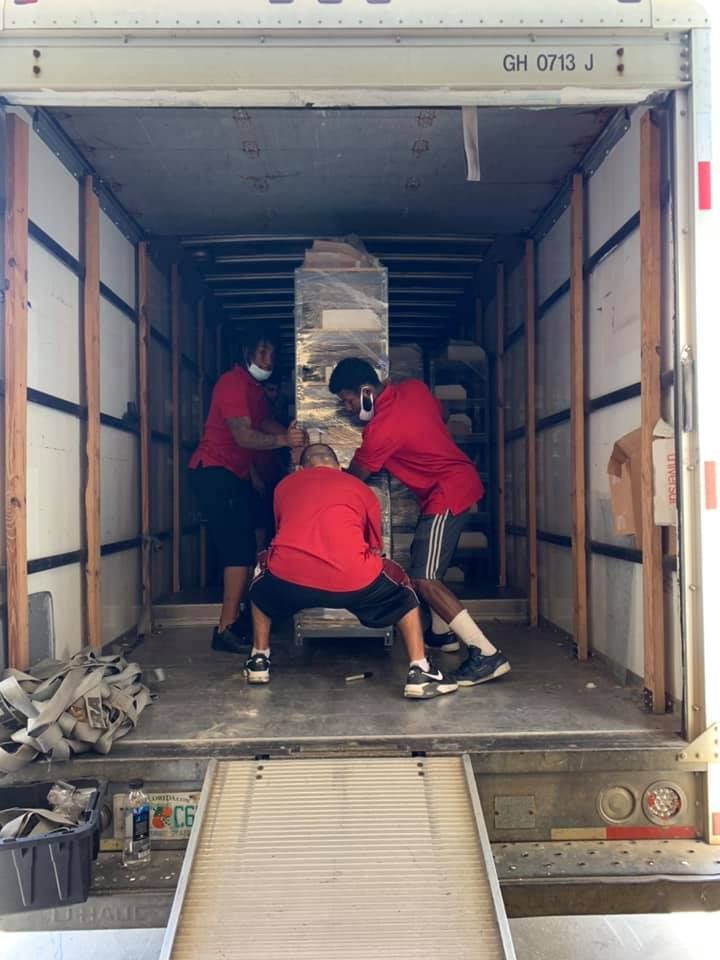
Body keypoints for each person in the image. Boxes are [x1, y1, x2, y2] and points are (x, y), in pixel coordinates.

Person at [328, 357, 510, 687]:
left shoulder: (380, 430)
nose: (350, 408)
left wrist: (321, 477)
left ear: (366, 392)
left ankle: (486, 654)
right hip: (454, 484)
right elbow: (441, 415)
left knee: (424, 578)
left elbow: (356, 477)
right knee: (428, 566)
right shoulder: (414, 389)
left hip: (447, 491)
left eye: (350, 400)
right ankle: (442, 636)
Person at [245, 444, 458, 700]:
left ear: (301, 468)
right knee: (404, 590)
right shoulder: (360, 488)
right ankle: (420, 671)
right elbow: (375, 547)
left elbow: (283, 530)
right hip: (352, 578)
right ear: (339, 467)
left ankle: (258, 658)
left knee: (259, 579)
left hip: (291, 577)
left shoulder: (284, 485)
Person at [188, 325, 305, 654]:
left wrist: (299, 437)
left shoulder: (253, 390)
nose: (268, 360)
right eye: (262, 353)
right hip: (214, 472)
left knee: (251, 544)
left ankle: (236, 620)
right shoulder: (232, 383)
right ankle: (225, 628)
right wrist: (285, 440)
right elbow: (243, 435)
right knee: (237, 550)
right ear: (247, 354)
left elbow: (265, 423)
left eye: (272, 354)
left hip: (234, 475)